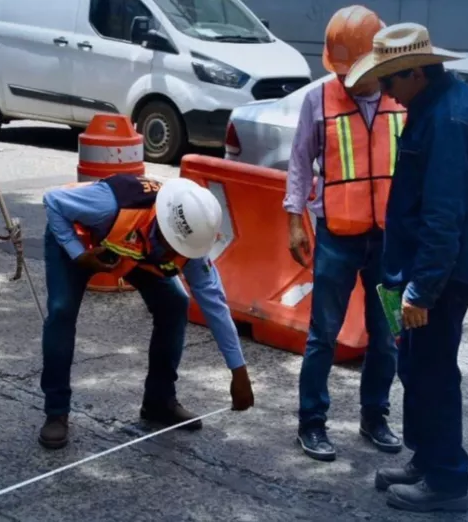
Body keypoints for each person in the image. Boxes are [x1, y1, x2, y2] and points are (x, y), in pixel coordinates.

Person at [344, 22, 468, 513]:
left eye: (389, 81)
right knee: (414, 365)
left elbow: (443, 215)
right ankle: (429, 458)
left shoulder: (449, 117)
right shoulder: (435, 104)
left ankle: (447, 479)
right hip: (411, 271)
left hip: (432, 276)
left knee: (431, 372)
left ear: (415, 71)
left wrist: (420, 292)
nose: (385, 92)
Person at [37, 174, 255, 449]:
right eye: (172, 246)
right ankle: (56, 411)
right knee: (61, 311)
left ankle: (159, 401)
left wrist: (238, 371)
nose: (175, 255)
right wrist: (77, 253)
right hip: (78, 237)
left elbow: (215, 304)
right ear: (163, 226)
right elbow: (53, 200)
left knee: (175, 303)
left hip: (130, 249)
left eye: (181, 249)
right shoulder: (108, 204)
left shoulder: (191, 240)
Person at [283, 5, 405, 463]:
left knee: (387, 333)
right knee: (323, 336)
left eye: (356, 71)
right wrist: (294, 220)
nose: (348, 80)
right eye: (341, 71)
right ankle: (311, 424)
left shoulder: (401, 97)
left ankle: (375, 417)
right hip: (336, 235)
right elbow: (299, 163)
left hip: (390, 243)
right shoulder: (318, 99)